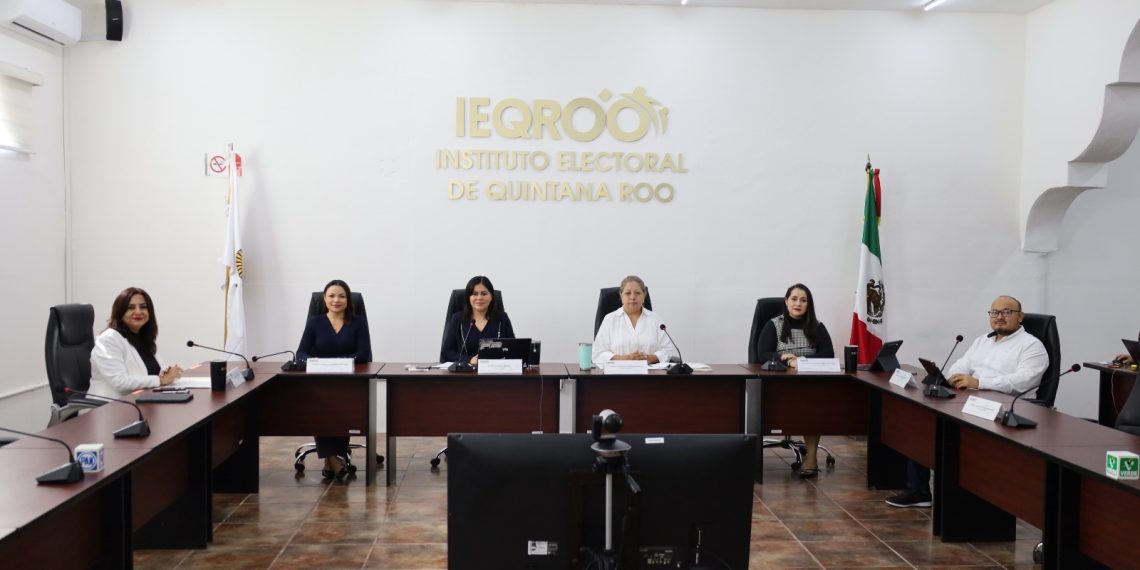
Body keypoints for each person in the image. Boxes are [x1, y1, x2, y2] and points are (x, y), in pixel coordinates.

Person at [886, 295, 1047, 508]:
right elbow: (961, 364)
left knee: (955, 437)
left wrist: (979, 382)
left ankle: (969, 500)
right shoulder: (983, 341)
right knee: (922, 422)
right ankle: (919, 491)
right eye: (994, 312)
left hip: (1008, 407)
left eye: (1006, 312)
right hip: (974, 400)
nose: (999, 317)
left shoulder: (1032, 346)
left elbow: (1024, 380)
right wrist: (956, 377)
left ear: (1020, 316)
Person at [754, 283, 835, 478]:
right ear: (786, 301)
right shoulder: (774, 325)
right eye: (794, 299)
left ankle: (811, 460)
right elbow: (763, 354)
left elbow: (828, 353)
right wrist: (785, 359)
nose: (798, 303)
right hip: (779, 384)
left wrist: (801, 361)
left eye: (803, 300)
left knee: (813, 406)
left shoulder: (817, 326)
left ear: (809, 304)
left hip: (809, 383)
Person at [296, 279, 372, 479]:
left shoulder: (358, 323)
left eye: (341, 296)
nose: (336, 300)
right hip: (320, 381)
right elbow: (301, 352)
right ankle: (334, 458)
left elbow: (363, 354)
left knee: (341, 409)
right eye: (331, 296)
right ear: (324, 299)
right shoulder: (315, 322)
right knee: (320, 408)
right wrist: (315, 362)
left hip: (349, 382)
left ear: (348, 300)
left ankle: (331, 460)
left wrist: (338, 362)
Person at [89, 287, 183, 399]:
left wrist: (170, 373)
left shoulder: (142, 338)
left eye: (143, 307)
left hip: (142, 401)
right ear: (120, 312)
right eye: (130, 308)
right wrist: (160, 380)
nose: (138, 312)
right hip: (110, 405)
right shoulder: (108, 339)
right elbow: (119, 382)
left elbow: (160, 370)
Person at [592, 275, 677, 366]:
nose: (632, 297)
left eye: (637, 293)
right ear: (621, 296)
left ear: (644, 296)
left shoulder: (656, 319)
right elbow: (597, 354)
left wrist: (649, 359)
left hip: (650, 372)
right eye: (628, 293)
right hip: (618, 372)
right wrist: (625, 359)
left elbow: (667, 350)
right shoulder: (610, 319)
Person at [440, 275, 515, 365]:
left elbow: (513, 349)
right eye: (474, 294)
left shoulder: (502, 318)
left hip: (495, 370)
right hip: (465, 371)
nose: (479, 298)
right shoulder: (458, 319)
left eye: (484, 293)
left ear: (491, 296)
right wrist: (469, 359)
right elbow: (446, 352)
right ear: (468, 297)